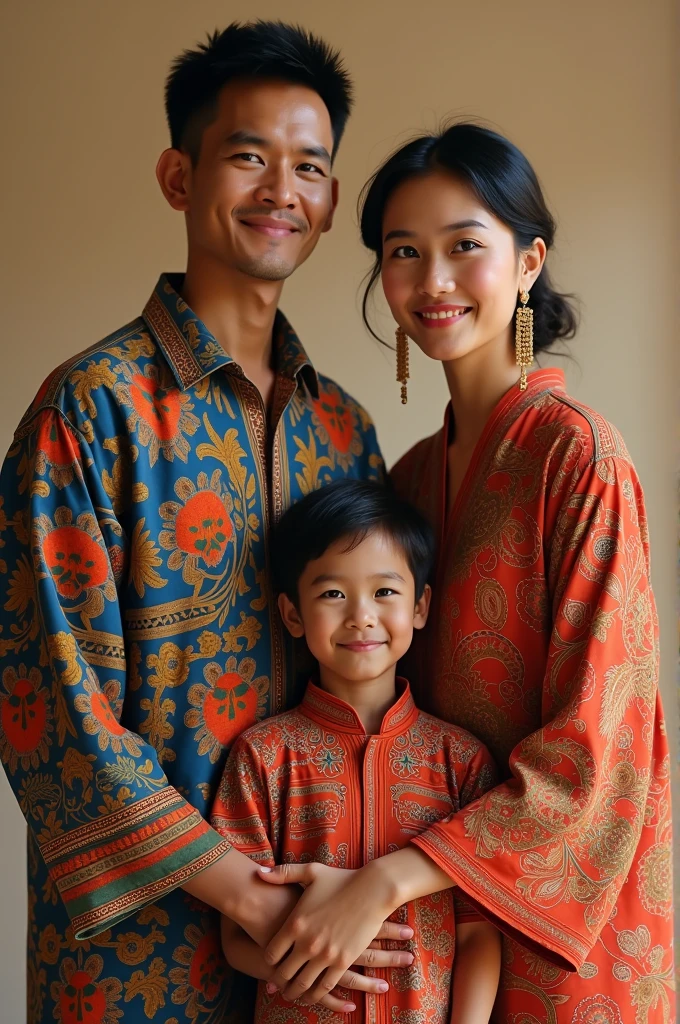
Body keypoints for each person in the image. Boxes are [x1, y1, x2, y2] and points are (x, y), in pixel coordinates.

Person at [0, 21, 415, 1024]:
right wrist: (241, 890)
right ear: (178, 177)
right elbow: (51, 712)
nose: (281, 188)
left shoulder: (342, 428)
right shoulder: (89, 410)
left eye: (309, 166)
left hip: (323, 957)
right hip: (142, 956)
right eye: (247, 156)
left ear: (327, 202)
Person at [250, 124, 675, 1024]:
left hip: (556, 924)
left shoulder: (579, 454)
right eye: (404, 252)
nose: (432, 281)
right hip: (427, 935)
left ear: (528, 262)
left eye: (464, 247)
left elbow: (602, 742)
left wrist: (387, 881)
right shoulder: (407, 480)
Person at [211, 479, 501, 1024]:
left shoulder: (461, 761)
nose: (360, 615)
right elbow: (234, 937)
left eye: (385, 592)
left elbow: (480, 932)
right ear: (293, 615)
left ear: (420, 606)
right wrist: (302, 967)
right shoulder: (264, 757)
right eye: (332, 594)